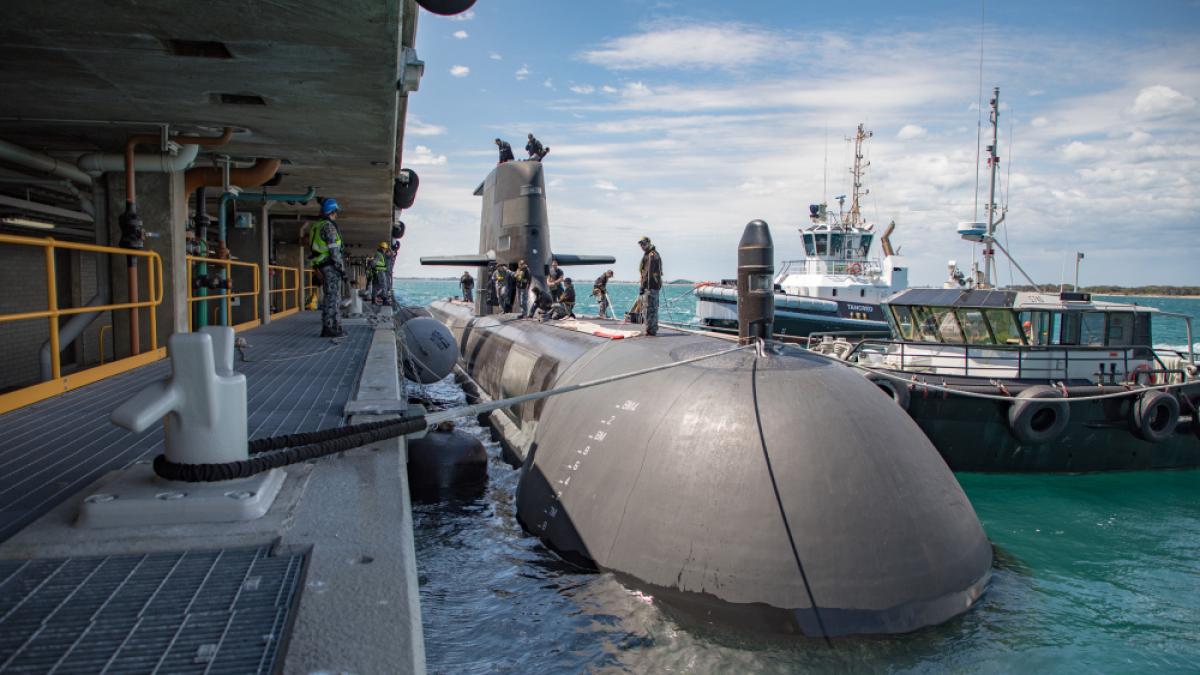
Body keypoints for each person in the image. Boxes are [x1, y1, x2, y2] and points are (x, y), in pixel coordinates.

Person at [308, 197, 346, 337]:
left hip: (321, 265)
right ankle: (329, 328)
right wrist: (341, 268)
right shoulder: (328, 227)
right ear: (332, 211)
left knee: (332, 296)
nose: (336, 215)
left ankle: (335, 326)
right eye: (336, 212)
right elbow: (334, 250)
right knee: (333, 297)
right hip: (330, 266)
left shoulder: (317, 225)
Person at [638, 236, 662, 336]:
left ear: (648, 243)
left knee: (648, 309)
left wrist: (642, 286)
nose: (642, 246)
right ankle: (653, 329)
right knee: (653, 309)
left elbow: (647, 273)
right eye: (641, 245)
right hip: (654, 286)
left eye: (644, 244)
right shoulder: (653, 254)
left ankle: (650, 330)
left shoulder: (651, 256)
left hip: (650, 286)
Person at [369, 241, 390, 305]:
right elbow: (373, 263)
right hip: (380, 272)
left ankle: (373, 300)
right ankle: (384, 300)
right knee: (384, 285)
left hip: (377, 272)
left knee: (375, 286)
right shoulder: (379, 255)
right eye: (385, 249)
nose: (385, 250)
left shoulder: (379, 254)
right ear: (383, 248)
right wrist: (376, 266)